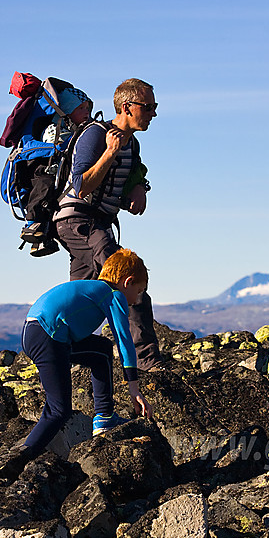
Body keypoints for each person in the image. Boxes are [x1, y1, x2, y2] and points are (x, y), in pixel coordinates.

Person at [53, 78, 165, 371]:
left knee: (82, 292)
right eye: (148, 107)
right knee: (129, 280)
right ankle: (148, 362)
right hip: (80, 220)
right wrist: (110, 152)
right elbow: (81, 186)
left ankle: (66, 355)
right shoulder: (95, 135)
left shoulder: (133, 144)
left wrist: (139, 187)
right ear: (127, 107)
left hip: (93, 223)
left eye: (154, 107)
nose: (153, 113)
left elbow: (128, 180)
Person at [18, 248, 155, 458]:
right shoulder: (113, 294)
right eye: (139, 291)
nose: (137, 300)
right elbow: (123, 338)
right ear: (127, 282)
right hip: (49, 336)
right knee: (58, 410)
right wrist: (134, 388)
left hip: (36, 332)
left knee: (101, 350)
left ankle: (104, 417)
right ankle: (22, 458)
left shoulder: (94, 288)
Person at [20, 86, 93, 256]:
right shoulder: (56, 127)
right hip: (46, 169)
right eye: (81, 108)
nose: (86, 112)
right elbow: (55, 147)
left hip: (59, 172)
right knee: (43, 189)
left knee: (53, 202)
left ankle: (44, 238)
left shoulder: (76, 130)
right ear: (67, 110)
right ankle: (32, 223)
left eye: (88, 108)